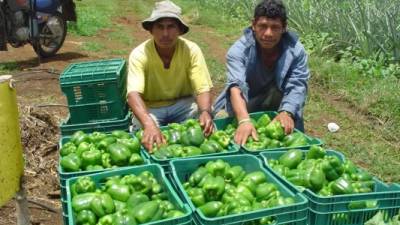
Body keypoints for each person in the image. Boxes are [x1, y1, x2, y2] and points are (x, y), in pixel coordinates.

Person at [214, 0, 310, 145]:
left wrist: (287, 112)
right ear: (253, 25)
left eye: (275, 27)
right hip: (247, 100)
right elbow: (236, 86)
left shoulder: (296, 51)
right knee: (223, 124)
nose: (268, 33)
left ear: (284, 28)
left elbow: (297, 84)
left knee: (292, 138)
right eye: (263, 26)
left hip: (277, 99)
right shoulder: (239, 50)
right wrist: (244, 120)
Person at [127, 0, 214, 152]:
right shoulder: (140, 54)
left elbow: (203, 88)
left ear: (180, 30)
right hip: (151, 107)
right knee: (143, 131)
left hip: (183, 104)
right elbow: (133, 94)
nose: (165, 34)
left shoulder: (191, 50)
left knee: (205, 120)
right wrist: (148, 123)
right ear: (151, 30)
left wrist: (205, 112)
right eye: (160, 27)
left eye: (171, 27)